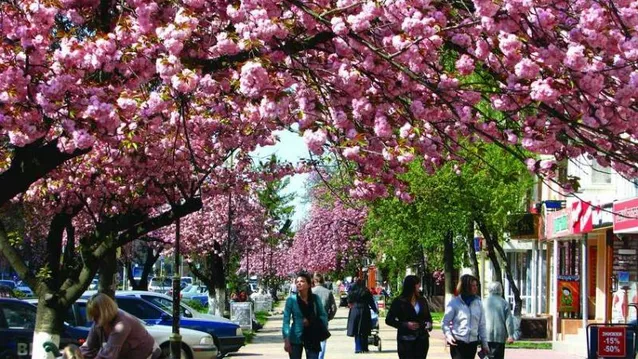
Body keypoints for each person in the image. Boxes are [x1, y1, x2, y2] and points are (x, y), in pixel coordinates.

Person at [80, 293, 161, 359]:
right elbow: (87, 348)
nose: (93, 319)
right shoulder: (99, 322)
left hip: (149, 355)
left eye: (96, 315)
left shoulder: (121, 325)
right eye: (92, 315)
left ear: (106, 312)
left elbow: (107, 356)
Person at [283, 271, 329, 359]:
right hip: (296, 337)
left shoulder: (315, 299)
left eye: (302, 281)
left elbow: (323, 315)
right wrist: (286, 339)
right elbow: (286, 321)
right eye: (297, 282)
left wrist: (314, 322)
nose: (299, 283)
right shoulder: (291, 300)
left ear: (309, 285)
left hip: (312, 336)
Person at [442, 274, 489, 359]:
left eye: (476, 285)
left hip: (472, 343)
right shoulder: (454, 303)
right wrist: (448, 335)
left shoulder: (478, 303)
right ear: (465, 287)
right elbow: (445, 322)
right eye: (472, 286)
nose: (475, 288)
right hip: (458, 342)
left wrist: (484, 344)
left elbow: (482, 325)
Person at [386, 275, 433, 359]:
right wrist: (405, 324)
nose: (420, 286)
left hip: (422, 339)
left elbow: (428, 317)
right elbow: (389, 320)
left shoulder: (422, 300)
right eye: (418, 284)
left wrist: (429, 324)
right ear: (411, 285)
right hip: (406, 340)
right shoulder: (399, 301)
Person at [346, 273, 378, 354]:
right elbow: (371, 302)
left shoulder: (353, 291)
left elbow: (349, 301)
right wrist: (375, 310)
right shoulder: (366, 291)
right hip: (365, 310)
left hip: (355, 310)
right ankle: (365, 348)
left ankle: (358, 348)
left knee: (357, 330)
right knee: (364, 330)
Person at [483, 282, 515, 359]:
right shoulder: (504, 303)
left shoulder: (484, 302)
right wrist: (510, 335)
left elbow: (479, 319)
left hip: (486, 335)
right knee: (498, 356)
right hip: (500, 336)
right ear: (501, 289)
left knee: (486, 357)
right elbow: (509, 321)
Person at [312, 273, 338, 359]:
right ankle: (320, 357)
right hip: (323, 318)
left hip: (312, 318)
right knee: (323, 340)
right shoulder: (328, 292)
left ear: (314, 281)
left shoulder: (311, 292)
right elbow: (334, 308)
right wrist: (329, 317)